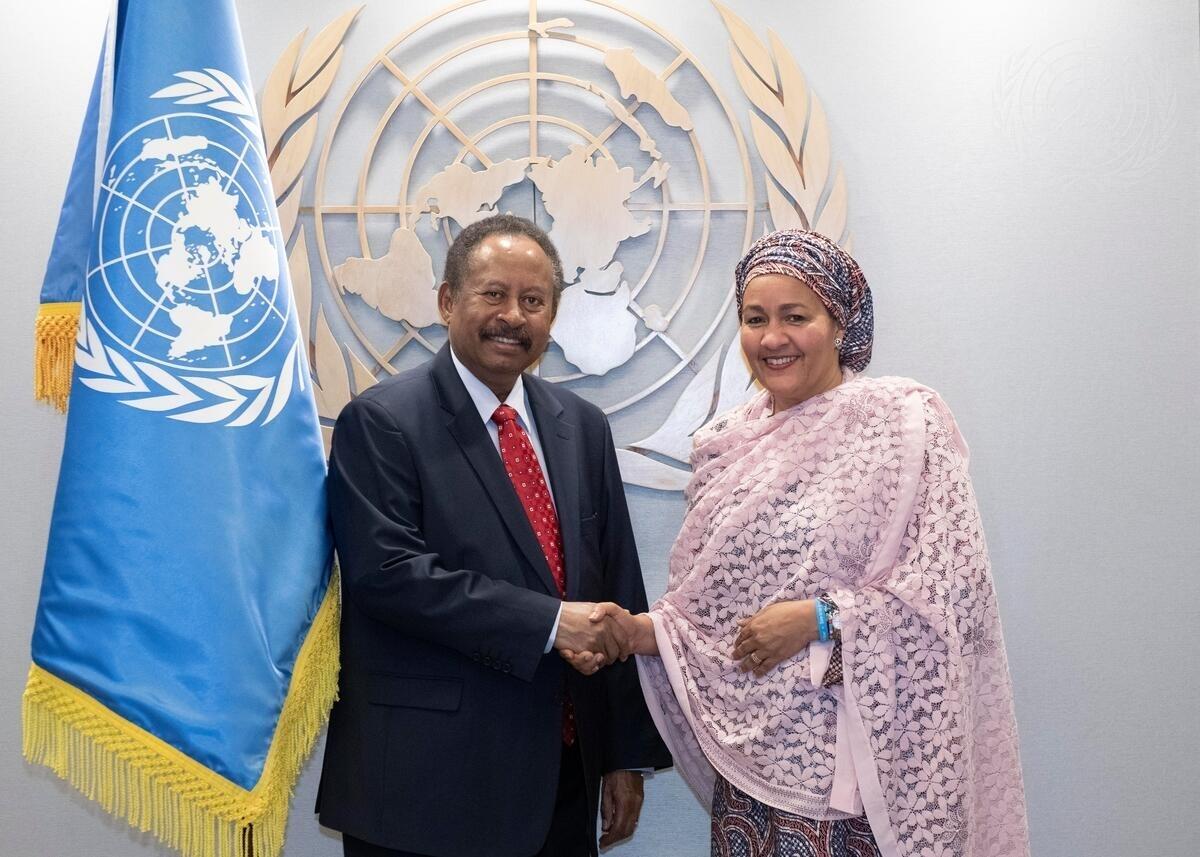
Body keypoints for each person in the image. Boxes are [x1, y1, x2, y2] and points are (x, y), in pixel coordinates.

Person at [571, 230, 1029, 857]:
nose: (772, 338)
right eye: (755, 319)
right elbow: (707, 622)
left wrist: (820, 618)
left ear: (839, 324)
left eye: (795, 316)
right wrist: (632, 632)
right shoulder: (725, 443)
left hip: (859, 784)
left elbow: (948, 596)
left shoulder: (901, 424)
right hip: (750, 783)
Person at [317, 214, 671, 857]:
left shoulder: (582, 427)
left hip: (562, 781)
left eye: (533, 300)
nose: (513, 316)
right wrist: (551, 623)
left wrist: (623, 754)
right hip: (424, 788)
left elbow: (616, 586)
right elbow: (387, 575)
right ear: (447, 301)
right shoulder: (381, 421)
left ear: (552, 317)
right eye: (493, 294)